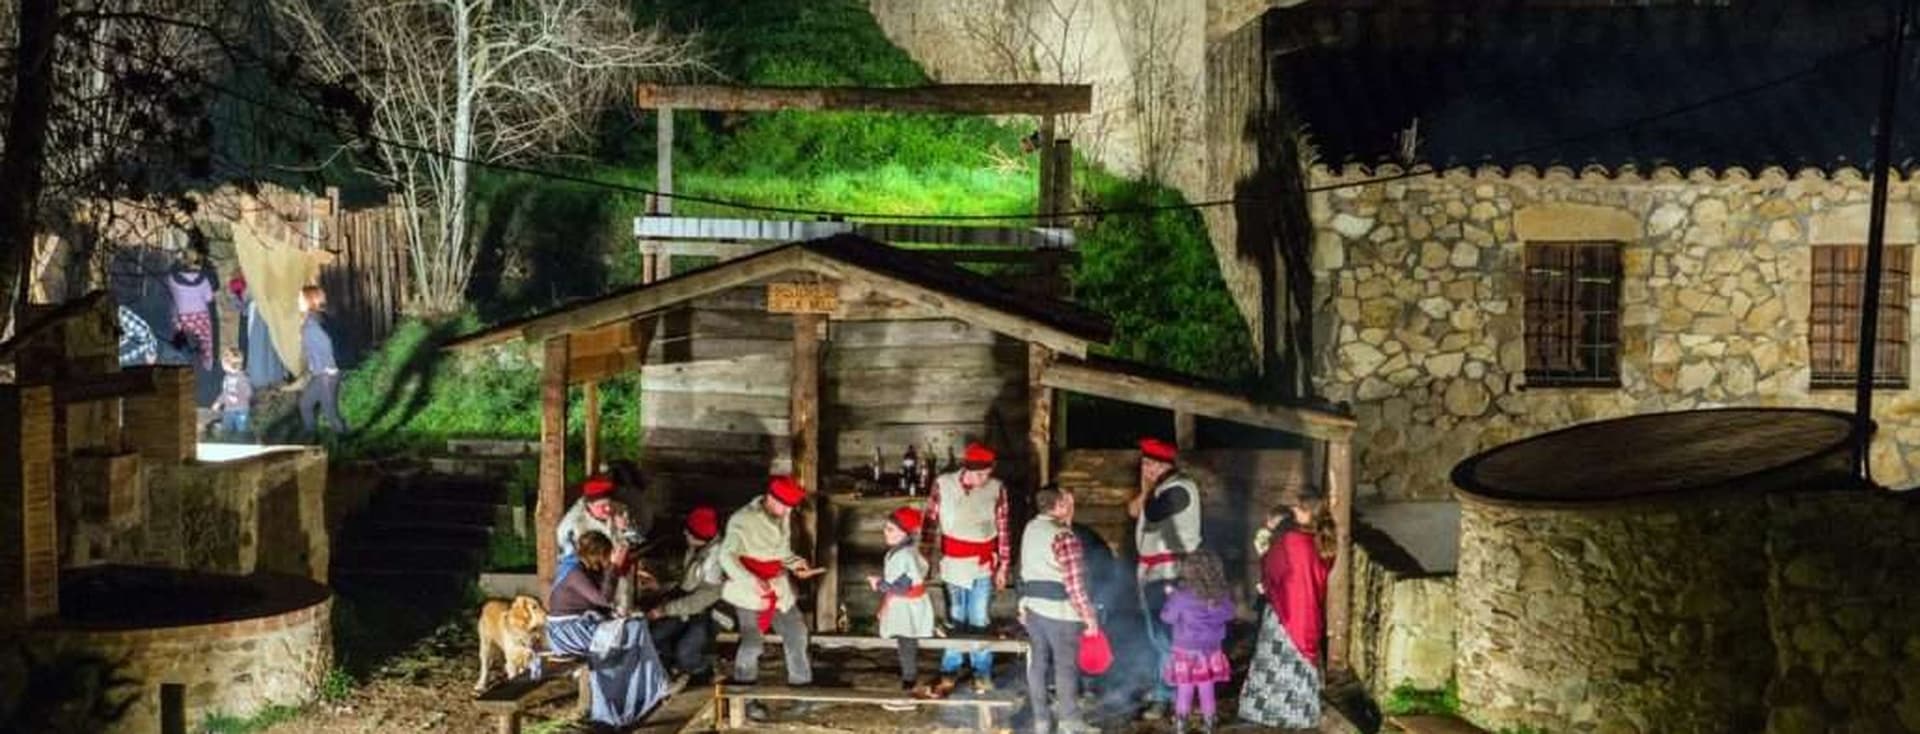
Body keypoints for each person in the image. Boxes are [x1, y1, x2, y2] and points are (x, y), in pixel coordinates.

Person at [719, 476, 827, 720]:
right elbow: (727, 557)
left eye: (791, 507)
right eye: (784, 506)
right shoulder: (742, 519)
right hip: (750, 591)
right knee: (752, 644)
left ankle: (802, 694)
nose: (788, 511)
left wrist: (796, 565)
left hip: (778, 588)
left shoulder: (782, 515)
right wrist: (750, 580)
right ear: (770, 498)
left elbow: (781, 552)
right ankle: (745, 699)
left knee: (797, 635)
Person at [544, 531, 671, 728]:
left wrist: (617, 568)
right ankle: (625, 701)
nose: (608, 559)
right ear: (597, 554)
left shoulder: (587, 567)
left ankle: (635, 695)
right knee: (631, 632)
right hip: (568, 631)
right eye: (606, 555)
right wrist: (613, 566)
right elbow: (603, 599)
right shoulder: (574, 572)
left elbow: (603, 598)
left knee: (636, 628)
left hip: (584, 625)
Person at [1238, 497, 1335, 729]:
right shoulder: (1324, 544)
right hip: (1309, 612)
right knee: (1300, 664)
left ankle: (1270, 711)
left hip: (1285, 611)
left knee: (1275, 662)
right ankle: (1301, 713)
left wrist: (1266, 551)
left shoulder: (1291, 540)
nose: (1293, 508)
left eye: (1300, 507)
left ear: (1309, 514)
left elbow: (1272, 570)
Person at [921, 441, 1010, 694]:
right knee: (957, 616)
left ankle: (982, 671)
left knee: (979, 616)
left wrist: (1003, 565)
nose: (985, 479)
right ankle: (950, 668)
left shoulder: (996, 488)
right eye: (980, 474)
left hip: (983, 562)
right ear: (967, 469)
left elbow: (1003, 528)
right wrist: (924, 559)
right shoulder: (944, 484)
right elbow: (929, 522)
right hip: (953, 563)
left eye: (988, 474)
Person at [1017, 485, 1101, 734]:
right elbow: (1074, 583)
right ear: (1060, 505)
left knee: (1038, 665)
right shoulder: (1064, 536)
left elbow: (1024, 570)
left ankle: (1041, 721)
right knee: (1065, 667)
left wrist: (1022, 602)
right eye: (1068, 501)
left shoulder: (1031, 528)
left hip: (1033, 608)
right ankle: (1069, 721)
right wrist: (1088, 615)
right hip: (1061, 612)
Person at [1130, 437, 1202, 720]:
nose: (1146, 470)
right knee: (1158, 637)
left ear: (1165, 465)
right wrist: (1147, 486)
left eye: (1151, 465)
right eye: (1144, 464)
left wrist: (1147, 488)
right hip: (1155, 572)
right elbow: (1134, 510)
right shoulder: (1161, 488)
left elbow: (1151, 511)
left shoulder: (1180, 489)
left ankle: (1174, 697)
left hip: (1171, 573)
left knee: (1170, 638)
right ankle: (1165, 690)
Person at [1160, 550, 1235, 734]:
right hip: (1211, 649)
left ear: (1189, 571)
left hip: (1186, 649)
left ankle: (1181, 725)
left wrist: (1170, 596)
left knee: (1184, 688)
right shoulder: (1221, 596)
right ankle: (1209, 724)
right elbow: (1230, 614)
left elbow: (1167, 618)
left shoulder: (1181, 596)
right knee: (1206, 686)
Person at [648, 506, 725, 683]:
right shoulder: (695, 549)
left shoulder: (716, 560)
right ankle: (668, 670)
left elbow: (700, 600)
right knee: (656, 635)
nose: (685, 534)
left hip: (711, 613)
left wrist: (665, 610)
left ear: (700, 538)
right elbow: (687, 584)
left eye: (689, 533)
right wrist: (662, 588)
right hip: (689, 608)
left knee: (686, 651)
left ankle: (703, 673)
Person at [870, 506, 937, 707]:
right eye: (886, 528)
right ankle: (909, 688)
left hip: (909, 607)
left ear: (904, 533)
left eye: (890, 529)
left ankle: (910, 693)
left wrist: (878, 584)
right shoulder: (900, 552)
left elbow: (902, 586)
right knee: (904, 643)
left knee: (907, 645)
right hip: (903, 605)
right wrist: (885, 606)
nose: (885, 532)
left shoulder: (905, 555)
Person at [557, 474, 647, 613]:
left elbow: (638, 540)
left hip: (623, 579)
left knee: (623, 613)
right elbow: (569, 556)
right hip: (597, 582)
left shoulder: (621, 511)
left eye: (609, 504)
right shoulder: (576, 524)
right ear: (589, 506)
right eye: (602, 506)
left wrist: (626, 529)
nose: (608, 509)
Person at [296, 285, 347, 437]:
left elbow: (327, 344)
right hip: (321, 373)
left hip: (327, 373)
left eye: (301, 298)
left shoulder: (313, 323)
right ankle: (311, 436)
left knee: (329, 412)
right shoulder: (316, 318)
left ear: (310, 300)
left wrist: (330, 366)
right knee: (305, 404)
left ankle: (345, 441)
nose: (298, 301)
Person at [167, 258, 216, 369]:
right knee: (205, 340)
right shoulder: (203, 279)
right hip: (201, 314)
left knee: (185, 340)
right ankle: (207, 364)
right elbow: (209, 298)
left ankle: (184, 363)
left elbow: (170, 297)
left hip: (182, 315)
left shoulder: (172, 278)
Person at [211, 348, 252, 440]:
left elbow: (248, 393)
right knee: (227, 431)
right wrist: (218, 402)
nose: (222, 365)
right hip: (228, 410)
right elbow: (225, 392)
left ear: (229, 364)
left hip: (241, 410)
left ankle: (242, 445)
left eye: (223, 363)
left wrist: (237, 396)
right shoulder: (226, 378)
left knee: (242, 432)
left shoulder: (242, 378)